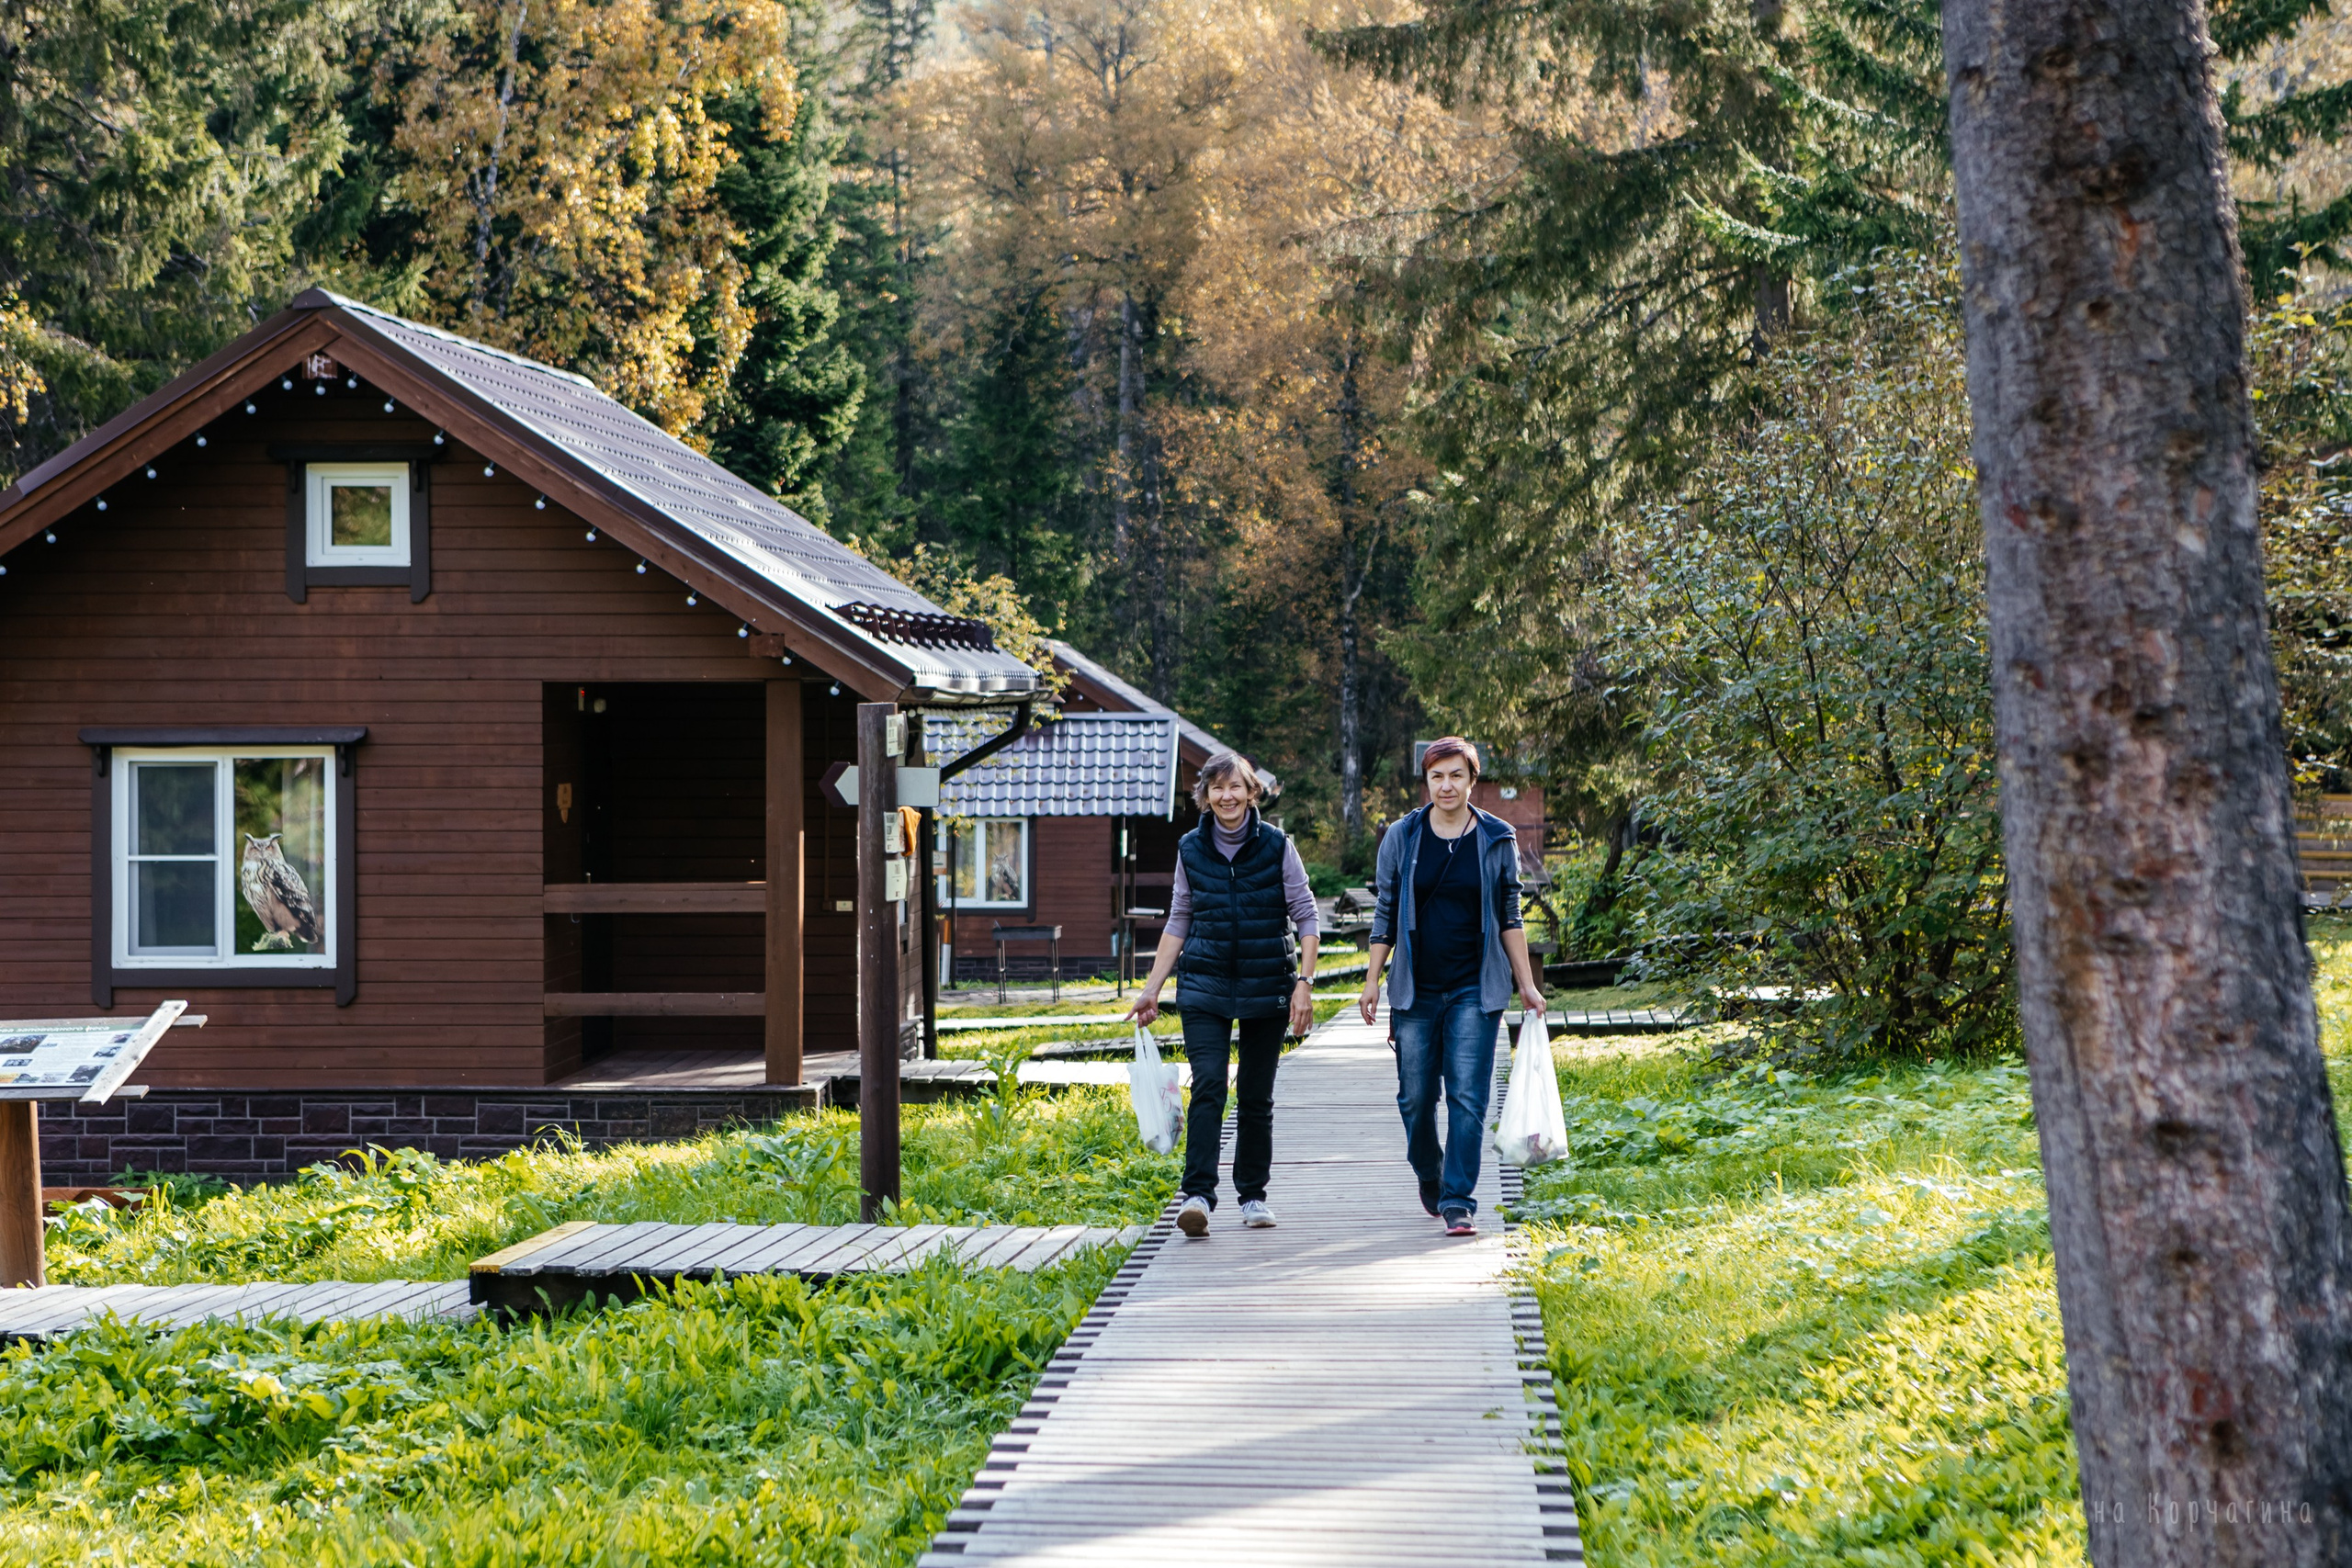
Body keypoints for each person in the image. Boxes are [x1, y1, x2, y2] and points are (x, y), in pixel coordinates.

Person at [1357, 737, 1546, 1236]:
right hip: (1416, 989)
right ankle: (1430, 1170)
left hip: (1474, 988)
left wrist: (1526, 985)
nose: (1446, 785)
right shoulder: (1403, 836)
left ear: (1472, 780)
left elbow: (1510, 916)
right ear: (1426, 781)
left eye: (1456, 775)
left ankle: (1459, 1200)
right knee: (1415, 1099)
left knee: (1468, 1097)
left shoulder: (1497, 838)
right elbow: (1386, 911)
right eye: (1437, 776)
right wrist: (1372, 979)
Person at [1127, 751, 1319, 1237]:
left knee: (1255, 1094)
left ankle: (1253, 1196)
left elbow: (1306, 914)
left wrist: (1304, 983)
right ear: (1206, 795)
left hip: (1267, 983)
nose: (1227, 796)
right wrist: (1152, 989)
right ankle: (1197, 1196)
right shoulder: (1190, 848)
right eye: (1217, 788)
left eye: (1236, 787)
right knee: (1209, 1085)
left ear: (1252, 793)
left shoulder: (1277, 845)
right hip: (1204, 985)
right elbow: (1179, 917)